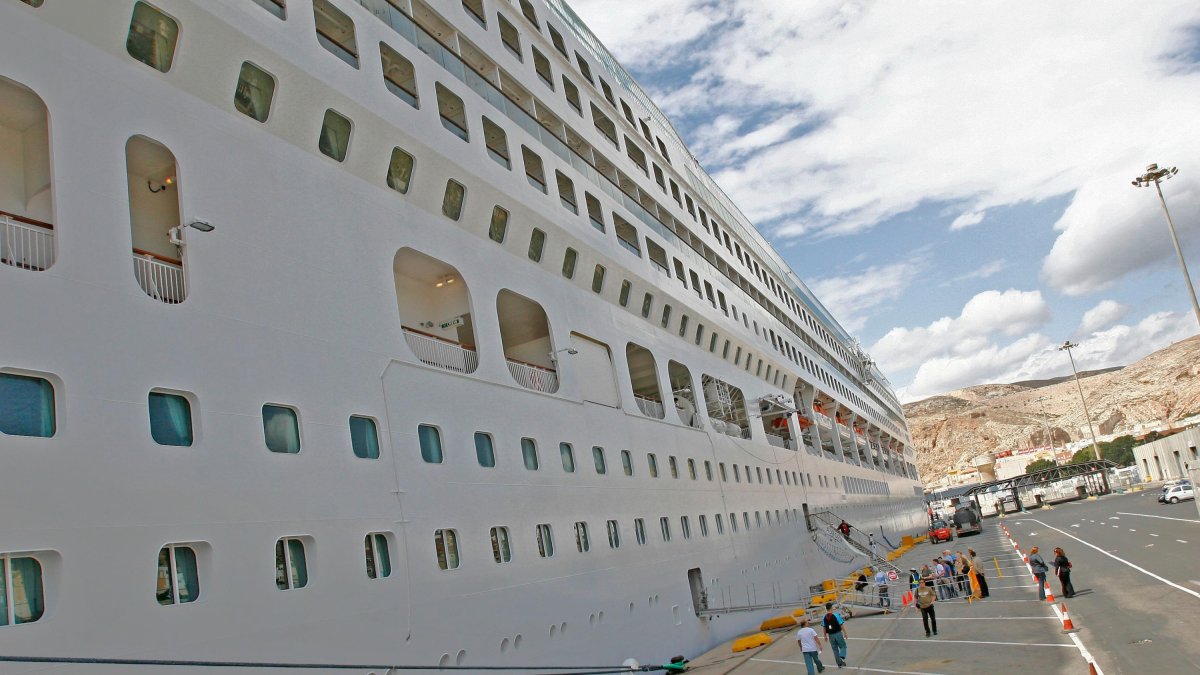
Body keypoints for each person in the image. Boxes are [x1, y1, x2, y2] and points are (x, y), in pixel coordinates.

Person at [822, 601, 848, 668]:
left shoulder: (824, 617)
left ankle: (839, 663)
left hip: (831, 635)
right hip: (838, 633)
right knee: (843, 646)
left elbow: (824, 628)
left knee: (835, 649)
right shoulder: (836, 615)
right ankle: (842, 655)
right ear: (831, 608)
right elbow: (841, 624)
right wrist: (845, 633)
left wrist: (825, 636)